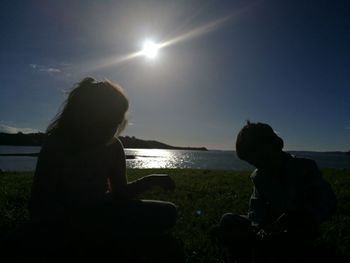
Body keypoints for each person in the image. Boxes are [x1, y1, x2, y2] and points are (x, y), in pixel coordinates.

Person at [29, 77, 179, 261]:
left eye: (115, 122)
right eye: (104, 121)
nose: (109, 130)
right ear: (84, 114)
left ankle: (101, 238)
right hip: (65, 221)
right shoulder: (58, 144)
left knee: (168, 212)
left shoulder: (114, 147)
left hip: (104, 213)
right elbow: (39, 202)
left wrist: (151, 180)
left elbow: (120, 192)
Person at [213, 121, 337, 263]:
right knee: (228, 219)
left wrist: (305, 215)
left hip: (296, 230)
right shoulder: (259, 176)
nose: (261, 166)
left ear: (278, 144)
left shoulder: (305, 167)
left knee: (277, 244)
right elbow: (256, 206)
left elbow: (328, 200)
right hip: (269, 227)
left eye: (263, 158)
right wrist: (257, 226)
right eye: (255, 163)